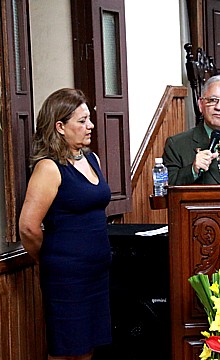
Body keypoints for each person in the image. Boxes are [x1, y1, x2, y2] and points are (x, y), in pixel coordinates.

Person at [19, 88, 112, 360]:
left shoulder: (91, 158)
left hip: (96, 272)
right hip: (67, 277)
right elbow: (28, 227)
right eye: (82, 121)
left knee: (88, 347)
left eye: (89, 119)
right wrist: (46, 258)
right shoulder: (48, 167)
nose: (90, 125)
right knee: (67, 349)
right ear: (60, 126)